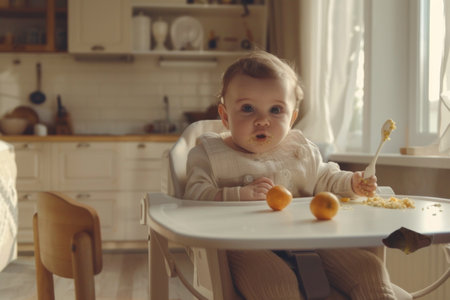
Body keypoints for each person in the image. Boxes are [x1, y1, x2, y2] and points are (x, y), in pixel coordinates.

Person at [183, 50, 397, 300]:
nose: (262, 120)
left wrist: (352, 183)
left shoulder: (300, 150)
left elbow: (325, 178)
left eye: (276, 110)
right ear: (225, 116)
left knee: (368, 268)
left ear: (292, 118)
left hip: (307, 239)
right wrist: (237, 194)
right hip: (241, 246)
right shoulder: (210, 154)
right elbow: (193, 196)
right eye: (248, 108)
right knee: (275, 282)